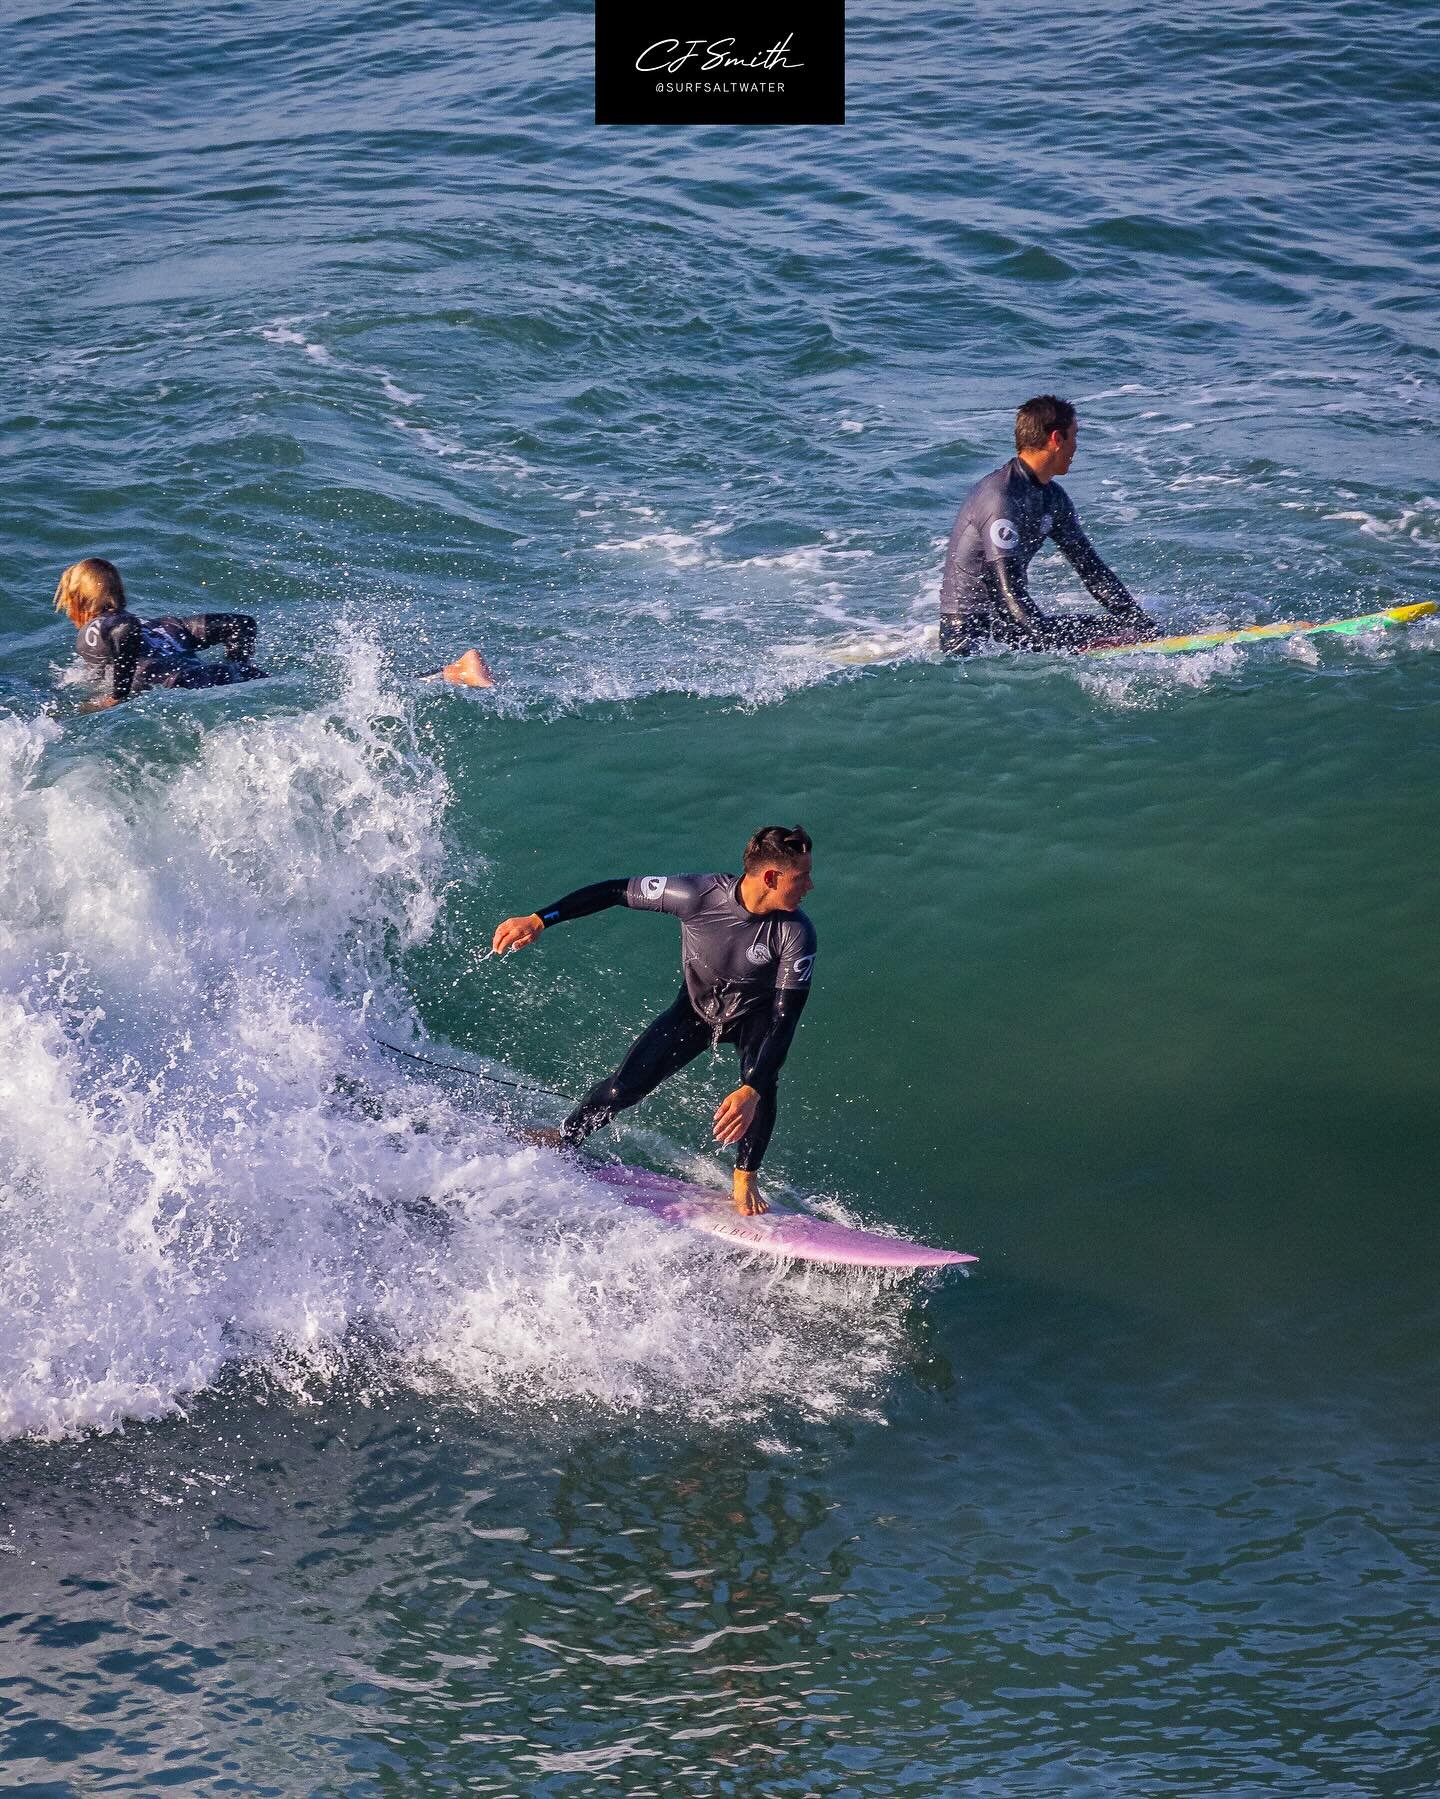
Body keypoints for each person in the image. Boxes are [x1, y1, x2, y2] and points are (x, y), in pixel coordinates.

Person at [491, 826, 818, 1216]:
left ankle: (745, 1176)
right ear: (770, 877)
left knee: (759, 1079)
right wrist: (539, 920)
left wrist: (751, 1090)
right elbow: (614, 891)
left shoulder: (797, 933)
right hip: (695, 1011)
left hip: (756, 1019)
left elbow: (784, 1019)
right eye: (801, 877)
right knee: (622, 1089)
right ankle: (564, 1137)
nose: (810, 886)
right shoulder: (698, 895)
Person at [939, 395, 1158, 655]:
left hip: (1009, 623)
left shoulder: (1053, 497)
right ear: (1057, 439)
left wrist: (1141, 625)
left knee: (1121, 628)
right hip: (969, 636)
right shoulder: (1000, 498)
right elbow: (1007, 593)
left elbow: (1092, 571)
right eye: (1074, 436)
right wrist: (1056, 647)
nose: (1076, 446)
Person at [54, 558, 266, 709]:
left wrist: (117, 695)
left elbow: (123, 628)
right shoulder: (165, 626)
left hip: (184, 686)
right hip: (232, 676)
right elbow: (241, 624)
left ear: (78, 599)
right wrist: (238, 666)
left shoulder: (95, 628)